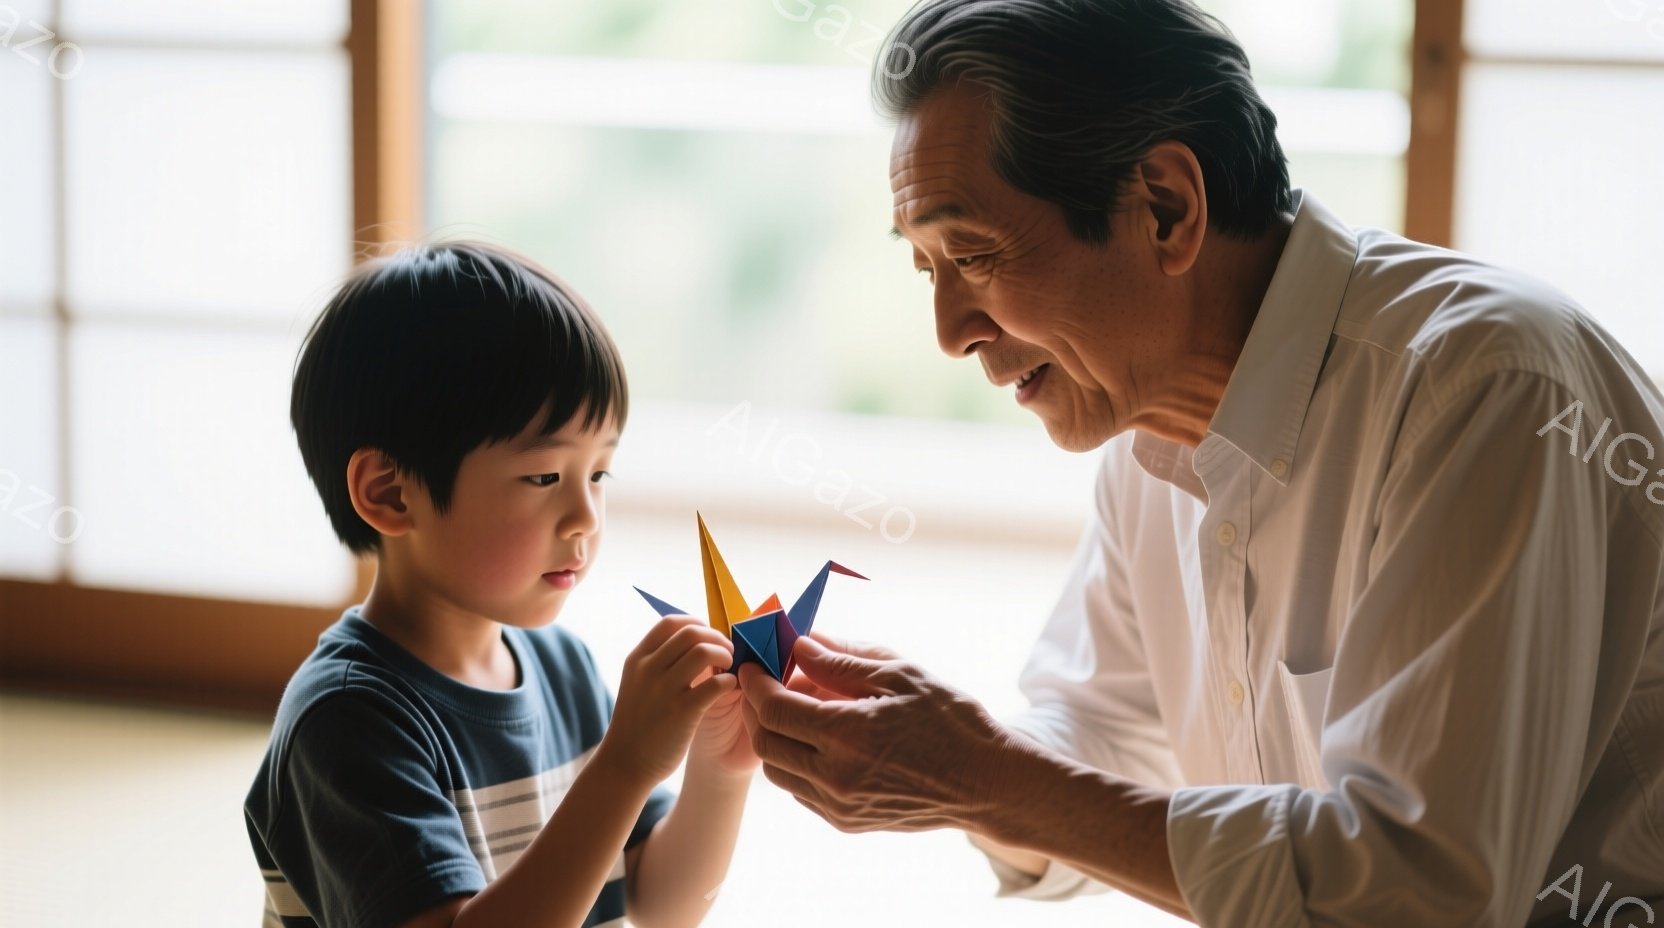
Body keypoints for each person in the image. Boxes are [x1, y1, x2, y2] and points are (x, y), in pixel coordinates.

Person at [737, 1, 1664, 925]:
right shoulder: (1147, 439)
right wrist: (916, 755)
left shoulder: (1483, 389)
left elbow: (1413, 896)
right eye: (927, 268)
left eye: (975, 254)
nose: (950, 333)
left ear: (1167, 208)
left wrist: (982, 778)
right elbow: (1098, 750)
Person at [244, 242, 758, 928]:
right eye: (545, 477)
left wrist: (722, 768)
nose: (585, 516)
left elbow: (662, 907)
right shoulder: (347, 722)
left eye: (599, 474)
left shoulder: (562, 668)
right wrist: (626, 764)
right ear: (391, 493)